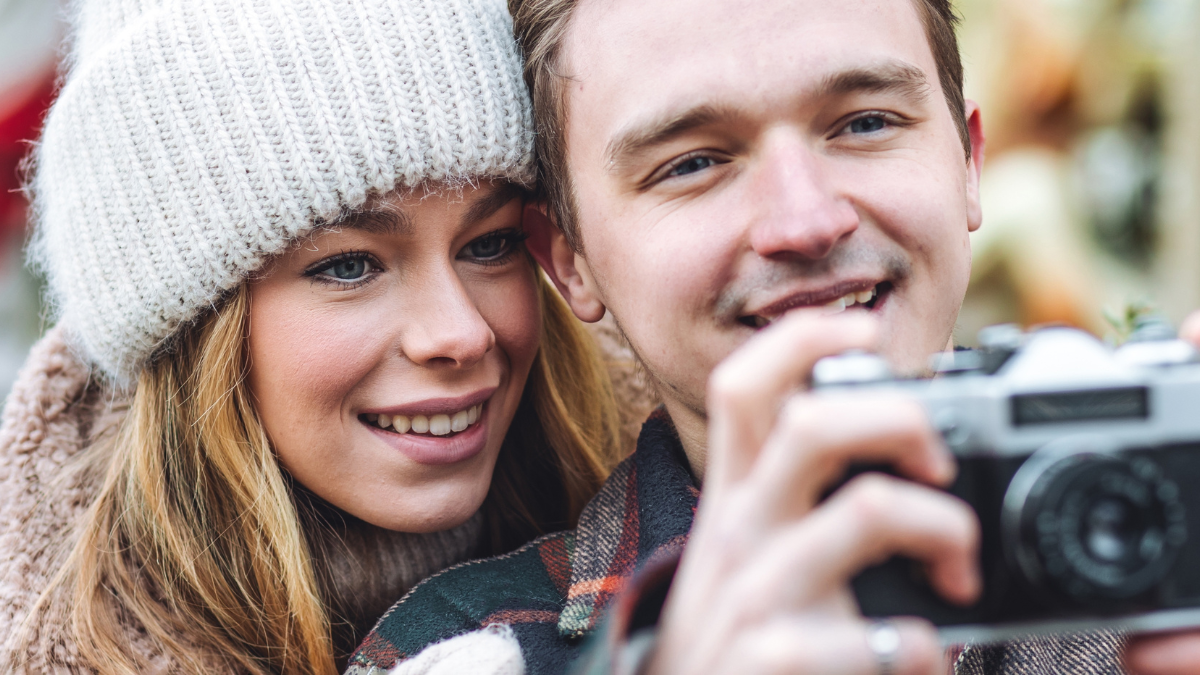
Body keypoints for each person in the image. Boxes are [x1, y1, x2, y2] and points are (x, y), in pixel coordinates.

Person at [350, 0, 1199, 673]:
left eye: (864, 122)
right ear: (570, 264)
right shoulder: (469, 650)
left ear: (968, 165)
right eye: (692, 162)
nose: (806, 220)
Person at [0, 0, 629, 673]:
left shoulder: (694, 483)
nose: (462, 333)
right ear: (190, 330)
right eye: (349, 265)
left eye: (491, 243)